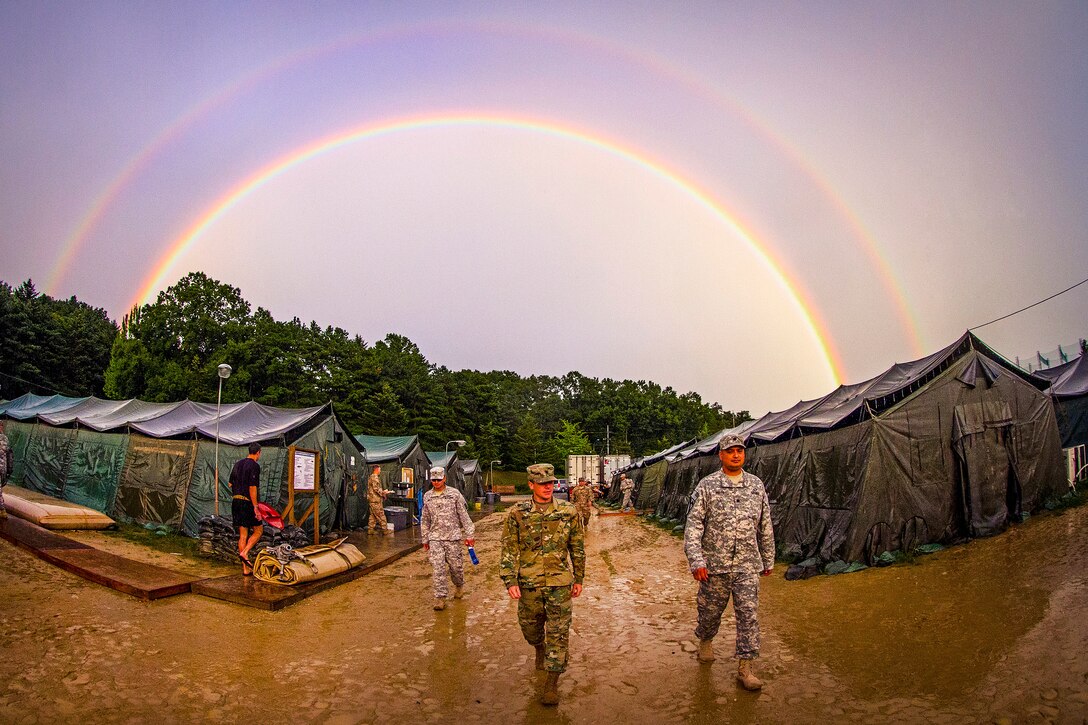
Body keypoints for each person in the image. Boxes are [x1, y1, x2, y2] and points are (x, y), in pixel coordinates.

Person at [684, 434, 774, 691]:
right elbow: (693, 527)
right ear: (720, 455)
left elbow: (765, 524)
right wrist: (696, 560)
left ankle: (746, 668)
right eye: (730, 451)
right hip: (715, 566)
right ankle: (705, 640)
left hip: (747, 565)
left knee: (749, 616)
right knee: (710, 613)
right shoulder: (707, 486)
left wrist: (768, 558)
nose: (736, 455)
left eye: (740, 451)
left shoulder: (756, 485)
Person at [500, 463, 586, 706]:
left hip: (560, 583)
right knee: (530, 629)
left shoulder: (568, 511)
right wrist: (509, 580)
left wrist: (579, 578)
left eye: (550, 483)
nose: (548, 487)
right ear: (531, 485)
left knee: (559, 633)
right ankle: (539, 646)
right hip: (529, 583)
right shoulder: (517, 513)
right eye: (542, 484)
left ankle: (551, 683)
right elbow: (509, 549)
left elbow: (577, 547)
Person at [420, 465, 475, 611]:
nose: (436, 482)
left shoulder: (454, 494)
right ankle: (440, 597)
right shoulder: (427, 496)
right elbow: (425, 519)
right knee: (438, 568)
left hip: (453, 538)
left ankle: (459, 585)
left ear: (444, 478)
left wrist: (470, 534)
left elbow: (464, 515)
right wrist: (425, 539)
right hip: (435, 538)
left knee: (455, 568)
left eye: (439, 479)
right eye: (433, 480)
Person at [229, 442, 263, 576]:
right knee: (258, 530)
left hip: (235, 501)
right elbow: (252, 487)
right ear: (258, 452)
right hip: (247, 502)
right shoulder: (254, 466)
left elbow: (230, 483)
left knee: (243, 535)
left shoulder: (237, 464)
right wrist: (255, 507)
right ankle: (245, 552)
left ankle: (245, 569)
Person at [366, 465, 393, 535]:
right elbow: (376, 489)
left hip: (372, 500)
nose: (380, 471)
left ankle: (370, 529)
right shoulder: (375, 477)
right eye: (380, 469)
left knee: (373, 515)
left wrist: (383, 493)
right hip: (375, 500)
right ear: (377, 469)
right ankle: (385, 530)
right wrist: (384, 492)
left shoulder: (371, 477)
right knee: (381, 514)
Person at [0, 421, 11, 520]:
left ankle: (2, 510)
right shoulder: (5, 438)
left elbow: (9, 455)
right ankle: (2, 510)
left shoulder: (4, 438)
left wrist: (9, 469)